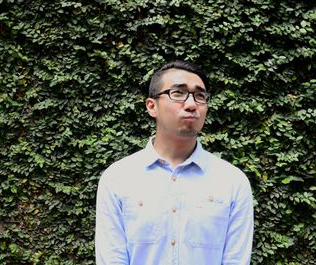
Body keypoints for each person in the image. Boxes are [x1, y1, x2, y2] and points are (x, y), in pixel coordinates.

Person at [95, 60, 254, 265]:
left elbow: (236, 260)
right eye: (178, 93)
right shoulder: (118, 178)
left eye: (200, 96)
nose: (191, 104)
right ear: (152, 106)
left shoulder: (232, 182)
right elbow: (111, 260)